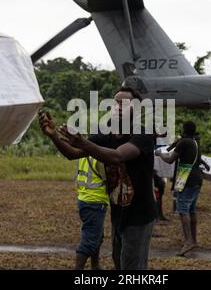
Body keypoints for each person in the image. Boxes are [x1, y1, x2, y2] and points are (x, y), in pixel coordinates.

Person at [39, 86, 157, 270]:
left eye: (124, 104)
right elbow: (73, 153)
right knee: (119, 261)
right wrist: (54, 135)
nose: (117, 107)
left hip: (140, 214)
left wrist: (84, 142)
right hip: (119, 211)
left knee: (131, 266)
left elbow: (117, 156)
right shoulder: (106, 134)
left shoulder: (144, 134)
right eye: (115, 103)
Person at [156, 121, 208, 256]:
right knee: (191, 210)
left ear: (184, 130)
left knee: (183, 210)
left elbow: (170, 159)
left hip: (186, 179)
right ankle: (194, 240)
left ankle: (188, 241)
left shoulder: (184, 142)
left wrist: (160, 153)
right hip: (196, 178)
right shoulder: (195, 142)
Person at [73, 156, 109, 269]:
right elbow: (106, 179)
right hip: (95, 201)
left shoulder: (83, 154)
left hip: (84, 198)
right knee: (89, 240)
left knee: (97, 236)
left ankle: (95, 265)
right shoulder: (99, 157)